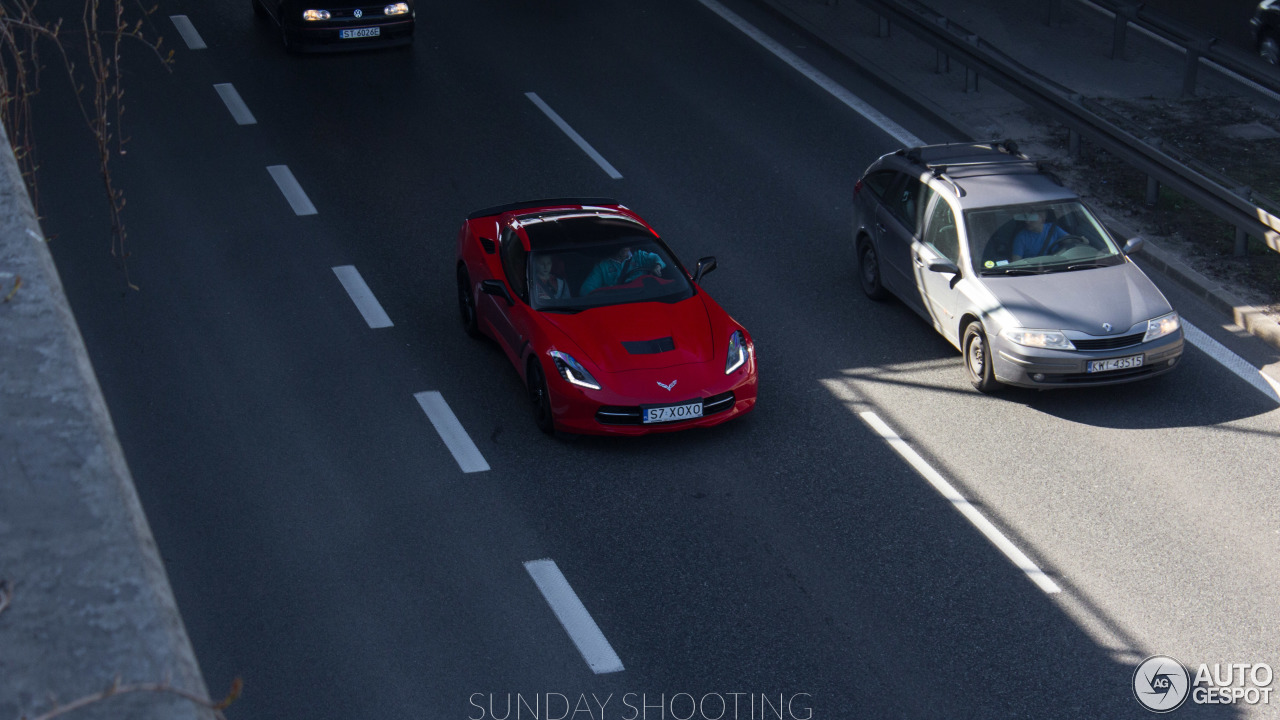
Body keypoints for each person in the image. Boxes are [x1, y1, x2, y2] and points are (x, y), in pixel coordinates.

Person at [579, 244, 665, 295]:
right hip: (618, 301)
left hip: (642, 296)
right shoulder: (602, 266)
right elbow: (587, 290)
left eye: (627, 245)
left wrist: (658, 266)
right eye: (621, 247)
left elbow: (656, 258)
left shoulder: (639, 256)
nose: (625, 248)